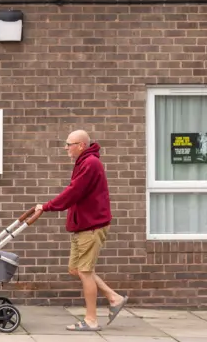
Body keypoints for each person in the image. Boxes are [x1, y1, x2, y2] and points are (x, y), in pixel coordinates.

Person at [35, 129, 128, 332]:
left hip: (91, 227)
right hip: (84, 225)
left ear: (81, 145)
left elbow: (73, 192)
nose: (65, 147)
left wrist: (47, 206)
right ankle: (114, 298)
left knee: (85, 272)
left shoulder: (90, 163)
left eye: (69, 144)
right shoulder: (85, 162)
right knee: (76, 269)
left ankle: (91, 320)